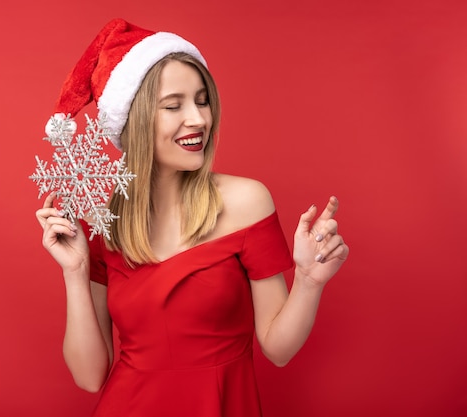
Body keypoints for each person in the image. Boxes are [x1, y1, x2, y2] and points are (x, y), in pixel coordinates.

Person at [35, 18, 349, 417]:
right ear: (135, 119)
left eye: (202, 101)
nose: (199, 119)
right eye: (173, 105)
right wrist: (75, 271)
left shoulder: (247, 202)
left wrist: (308, 282)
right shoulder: (104, 220)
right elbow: (90, 376)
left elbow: (278, 348)